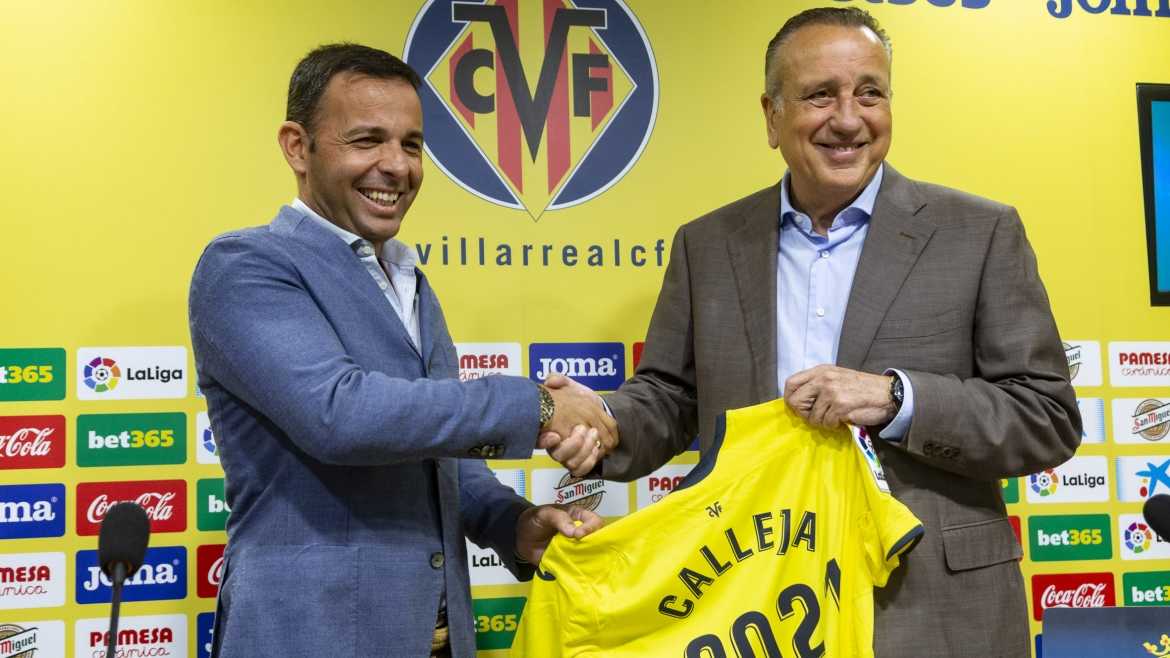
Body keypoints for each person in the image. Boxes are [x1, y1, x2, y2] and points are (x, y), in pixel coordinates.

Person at [544, 7, 1081, 656]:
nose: (849, 119)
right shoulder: (707, 244)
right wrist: (604, 419)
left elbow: (1045, 415)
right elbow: (672, 396)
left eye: (870, 93)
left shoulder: (980, 232)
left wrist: (897, 399)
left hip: (933, 607)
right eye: (820, 95)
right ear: (771, 117)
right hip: (755, 606)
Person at [188, 43, 615, 658]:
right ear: (296, 147)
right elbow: (342, 416)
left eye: (411, 144)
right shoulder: (246, 265)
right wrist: (540, 408)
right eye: (367, 141)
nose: (396, 166)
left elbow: (448, 463)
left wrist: (516, 526)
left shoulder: (410, 280)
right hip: (308, 639)